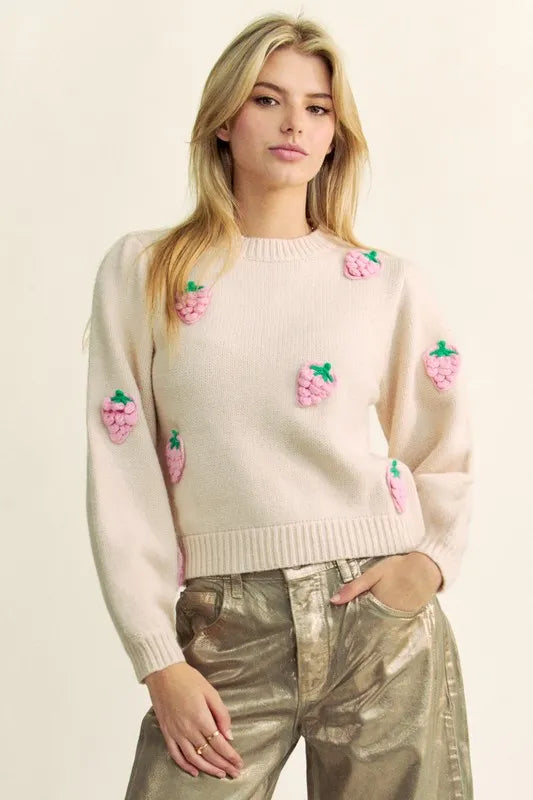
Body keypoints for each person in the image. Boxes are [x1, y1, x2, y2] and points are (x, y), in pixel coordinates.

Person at [84, 11, 475, 799]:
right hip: (225, 629)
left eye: (317, 107)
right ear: (224, 120)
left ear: (334, 135)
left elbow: (444, 444)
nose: (294, 122)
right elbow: (119, 470)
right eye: (267, 99)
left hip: (379, 624)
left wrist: (426, 562)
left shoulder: (385, 282)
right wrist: (158, 658)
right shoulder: (146, 270)